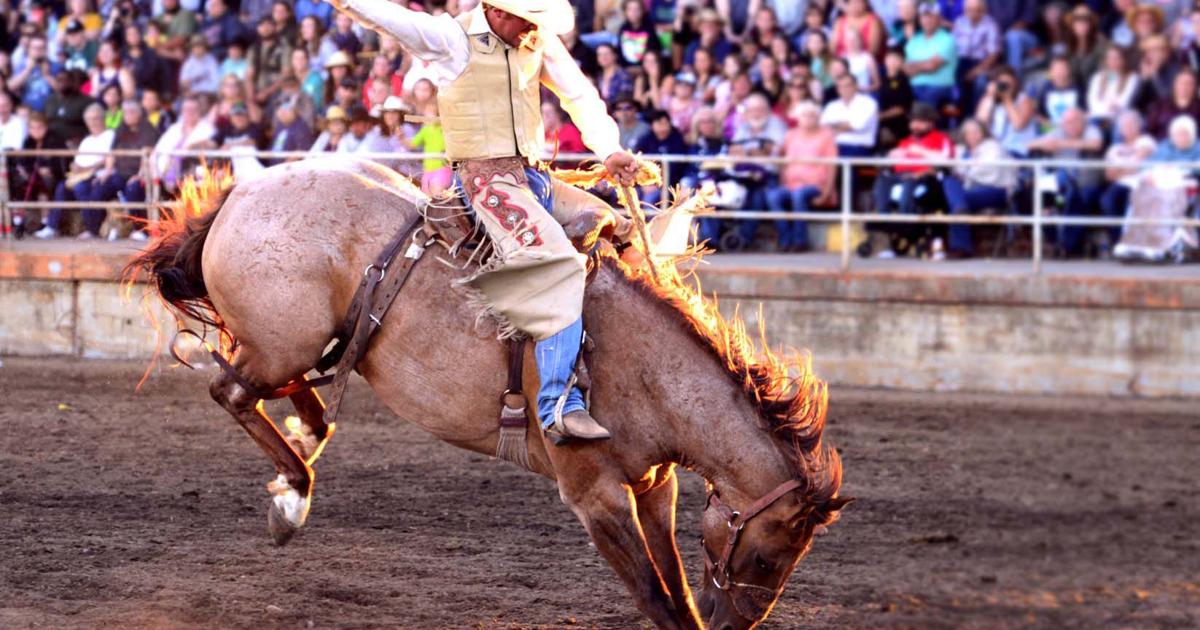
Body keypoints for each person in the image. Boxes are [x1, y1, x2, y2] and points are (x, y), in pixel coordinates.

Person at [328, 0, 638, 442]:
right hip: (486, 184)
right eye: (527, 20)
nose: (534, 30)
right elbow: (388, 18)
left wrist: (609, 149)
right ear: (497, 12)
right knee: (556, 264)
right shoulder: (451, 39)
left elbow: (578, 94)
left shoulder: (534, 38)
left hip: (534, 179)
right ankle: (557, 405)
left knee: (620, 228)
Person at [1026, 107, 1105, 257]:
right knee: (1040, 196)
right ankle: (1056, 242)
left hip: (1085, 184)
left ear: (1083, 121)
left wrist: (1061, 144)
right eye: (1067, 122)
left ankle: (1066, 246)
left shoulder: (1091, 130)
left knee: (1073, 198)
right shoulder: (1059, 132)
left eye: (1074, 121)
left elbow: (1096, 144)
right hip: (1061, 187)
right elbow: (1029, 144)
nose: (1070, 125)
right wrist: (1044, 144)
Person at [766, 101, 836, 252]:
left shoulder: (826, 135)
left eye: (812, 115)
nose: (808, 118)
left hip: (816, 186)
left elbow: (832, 166)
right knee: (773, 196)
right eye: (805, 115)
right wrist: (781, 181)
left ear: (818, 117)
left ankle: (800, 241)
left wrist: (827, 193)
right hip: (791, 184)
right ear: (798, 117)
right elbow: (783, 161)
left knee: (799, 195)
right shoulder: (791, 135)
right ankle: (785, 240)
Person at [940, 118, 1016, 257]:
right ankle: (960, 215)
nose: (972, 135)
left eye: (976, 132)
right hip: (968, 192)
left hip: (996, 190)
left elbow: (988, 171)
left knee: (957, 200)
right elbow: (951, 167)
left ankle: (961, 247)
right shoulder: (960, 150)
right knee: (950, 183)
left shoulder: (993, 147)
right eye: (968, 132)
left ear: (983, 133)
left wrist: (963, 173)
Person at [39, 104, 115, 239]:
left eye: (96, 118)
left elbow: (107, 160)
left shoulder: (110, 135)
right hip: (80, 176)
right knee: (62, 187)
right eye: (90, 119)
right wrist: (74, 166)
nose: (93, 122)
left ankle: (91, 229)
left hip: (98, 176)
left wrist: (87, 169)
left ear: (103, 119)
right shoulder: (87, 140)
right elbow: (77, 160)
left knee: (81, 188)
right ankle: (52, 227)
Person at [89, 99, 160, 240]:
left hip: (141, 174)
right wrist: (107, 171)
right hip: (120, 173)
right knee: (99, 187)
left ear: (139, 114)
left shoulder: (149, 130)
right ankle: (93, 229)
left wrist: (140, 175)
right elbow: (112, 153)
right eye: (126, 112)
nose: (128, 115)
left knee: (134, 189)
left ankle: (141, 230)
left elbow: (149, 155)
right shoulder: (120, 130)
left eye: (131, 112)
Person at [1095, 110, 1156, 251]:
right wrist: (1127, 168)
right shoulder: (1114, 148)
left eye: (1131, 125)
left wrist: (1120, 169)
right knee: (1106, 201)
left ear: (1139, 126)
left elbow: (1137, 166)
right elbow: (1108, 174)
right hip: (1120, 184)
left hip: (1141, 184)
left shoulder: (1146, 141)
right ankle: (1118, 242)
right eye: (1124, 126)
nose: (1127, 128)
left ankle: (1130, 242)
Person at [904, 0, 958, 108]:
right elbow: (906, 69)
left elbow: (932, 66)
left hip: (939, 87)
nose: (927, 20)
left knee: (928, 98)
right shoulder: (915, 40)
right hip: (913, 86)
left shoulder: (948, 39)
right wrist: (924, 64)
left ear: (939, 19)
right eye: (924, 17)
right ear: (919, 19)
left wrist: (916, 66)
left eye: (931, 17)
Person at [951, 0, 1000, 113]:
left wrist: (975, 71)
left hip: (981, 63)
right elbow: (952, 47)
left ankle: (976, 114)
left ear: (983, 11)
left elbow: (993, 55)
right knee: (953, 81)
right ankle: (957, 116)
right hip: (961, 61)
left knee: (980, 82)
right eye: (969, 9)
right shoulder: (959, 22)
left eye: (976, 10)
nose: (972, 13)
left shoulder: (991, 24)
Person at [820, 72, 878, 158]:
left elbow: (858, 126)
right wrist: (845, 125)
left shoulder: (868, 103)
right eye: (841, 86)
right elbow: (823, 127)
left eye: (848, 85)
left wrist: (834, 126)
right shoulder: (831, 105)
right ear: (837, 89)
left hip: (861, 150)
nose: (844, 89)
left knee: (866, 170)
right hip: (834, 149)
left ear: (856, 86)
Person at [1087, 46, 1139, 126]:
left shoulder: (1132, 78)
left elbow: (1123, 102)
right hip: (1097, 117)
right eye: (1110, 58)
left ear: (1123, 60)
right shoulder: (1097, 77)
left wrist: (1110, 108)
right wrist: (1107, 109)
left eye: (1116, 58)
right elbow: (1092, 101)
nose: (1113, 61)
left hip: (1119, 119)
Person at [1145, 69, 1200, 140]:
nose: (1184, 87)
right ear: (1175, 85)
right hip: (1162, 147)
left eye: (1189, 83)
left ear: (1195, 87)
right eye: (1181, 83)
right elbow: (1148, 131)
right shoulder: (1160, 105)